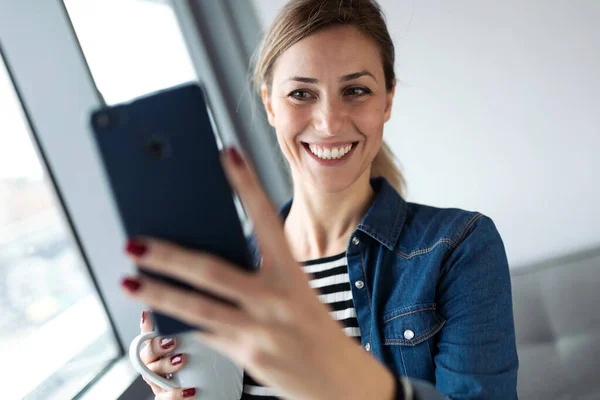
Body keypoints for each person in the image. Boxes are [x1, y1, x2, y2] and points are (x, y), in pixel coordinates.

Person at [120, 0, 519, 399]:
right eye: (301, 93)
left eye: (356, 90)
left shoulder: (458, 247)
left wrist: (341, 375)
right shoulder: (226, 275)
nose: (329, 123)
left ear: (388, 100)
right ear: (270, 104)